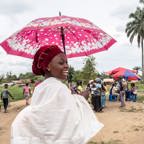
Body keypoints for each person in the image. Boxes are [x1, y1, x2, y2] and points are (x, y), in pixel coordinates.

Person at [11, 45, 103, 144]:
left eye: (66, 62)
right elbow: (69, 116)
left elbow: (50, 114)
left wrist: (74, 97)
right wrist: (82, 97)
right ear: (48, 66)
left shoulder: (40, 87)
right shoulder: (58, 88)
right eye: (61, 62)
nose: (66, 66)